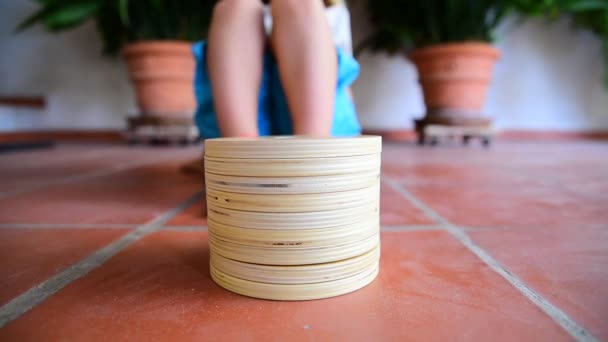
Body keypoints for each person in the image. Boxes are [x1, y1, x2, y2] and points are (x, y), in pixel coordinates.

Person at [192, 0, 361, 139]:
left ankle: (313, 147)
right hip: (235, 128)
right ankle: (242, 153)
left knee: (295, 4)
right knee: (236, 8)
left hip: (321, 124)